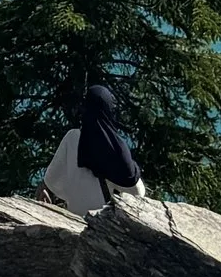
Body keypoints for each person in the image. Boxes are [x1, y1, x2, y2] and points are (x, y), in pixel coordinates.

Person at [41, 80, 146, 216]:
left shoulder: (72, 138)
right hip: (103, 224)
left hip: (73, 220)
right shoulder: (117, 151)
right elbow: (138, 193)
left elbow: (49, 183)